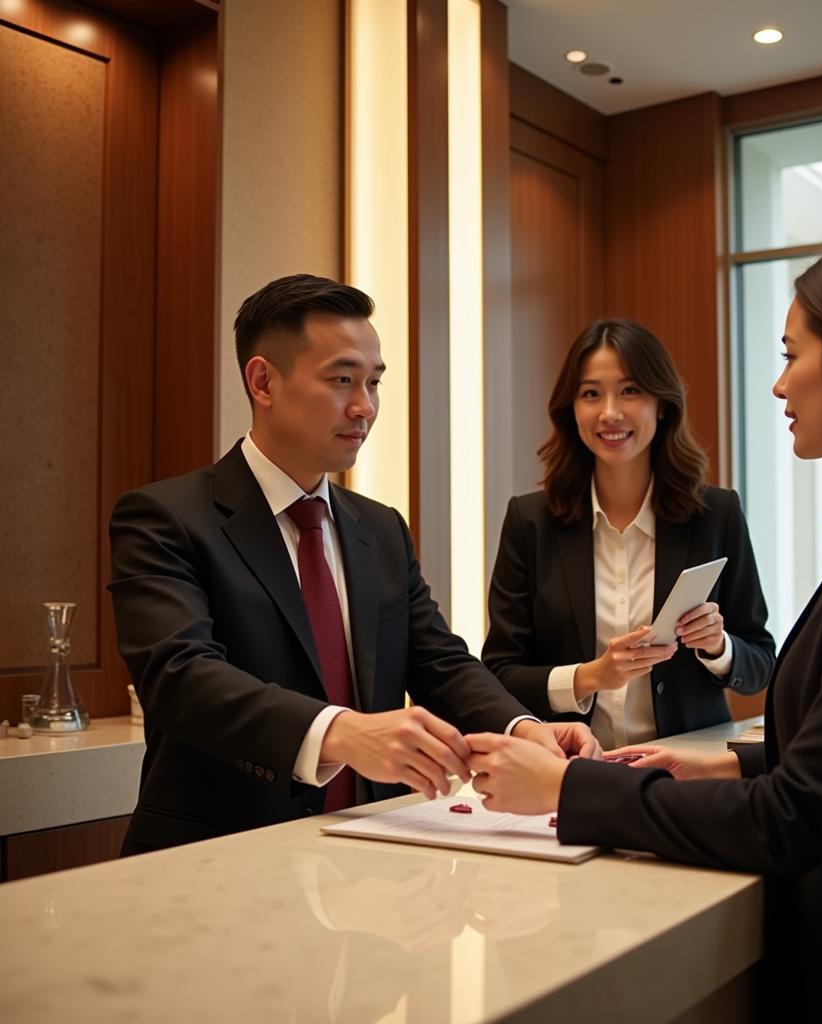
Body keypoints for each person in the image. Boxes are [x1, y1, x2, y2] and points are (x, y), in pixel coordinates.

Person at [465, 238, 822, 1020]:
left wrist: (570, 788)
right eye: (591, 395)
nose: (778, 382)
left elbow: (797, 816)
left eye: (793, 354)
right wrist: (722, 767)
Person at [108, 274, 596, 855]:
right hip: (216, 855)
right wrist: (342, 732)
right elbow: (180, 677)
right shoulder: (165, 516)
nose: (365, 407)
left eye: (373, 382)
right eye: (342, 380)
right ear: (263, 381)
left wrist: (523, 728)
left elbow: (438, 661)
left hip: (366, 851)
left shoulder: (380, 528)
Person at [482, 318, 774, 750]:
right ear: (572, 409)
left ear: (662, 403)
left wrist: (719, 647)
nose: (610, 412)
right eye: (591, 394)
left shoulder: (716, 513)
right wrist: (592, 676)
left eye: (630, 390)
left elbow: (761, 662)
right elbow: (500, 672)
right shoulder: (530, 521)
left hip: (688, 771)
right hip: (569, 770)